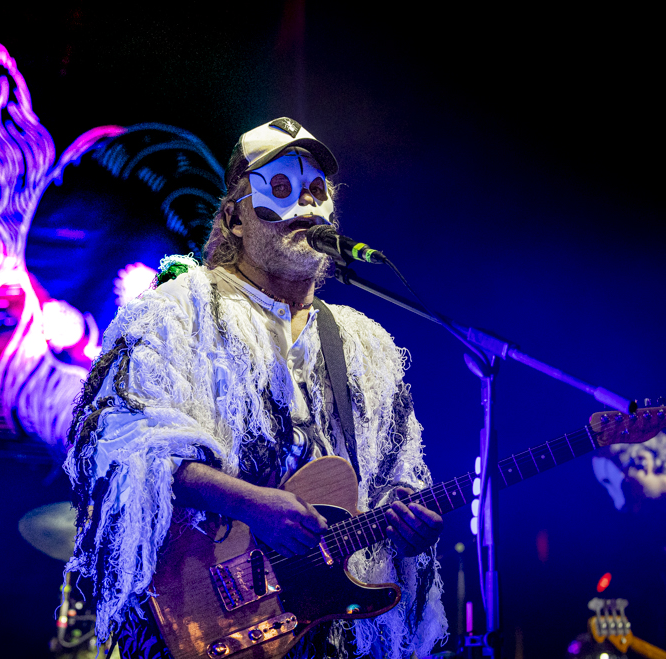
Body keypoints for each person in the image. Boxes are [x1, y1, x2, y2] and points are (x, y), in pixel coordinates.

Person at [64, 118, 448, 658]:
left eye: (316, 191)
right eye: (281, 188)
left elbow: (393, 472)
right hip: (199, 617)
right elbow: (115, 437)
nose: (303, 207)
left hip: (326, 627)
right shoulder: (177, 312)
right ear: (235, 217)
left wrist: (407, 516)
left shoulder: (367, 347)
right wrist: (250, 503)